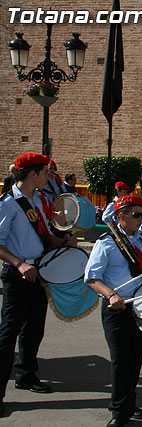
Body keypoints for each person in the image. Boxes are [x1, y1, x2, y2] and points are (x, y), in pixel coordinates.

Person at [0, 153, 78, 417]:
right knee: (8, 333)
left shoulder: (42, 200)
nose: (50, 175)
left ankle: (26, 375)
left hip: (40, 270)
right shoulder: (9, 203)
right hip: (18, 274)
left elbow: (45, 236)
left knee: (34, 329)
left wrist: (64, 242)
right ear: (31, 174)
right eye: (45, 171)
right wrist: (19, 264)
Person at [85, 195, 142, 427]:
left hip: (140, 308)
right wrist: (111, 294)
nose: (141, 219)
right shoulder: (107, 242)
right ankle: (119, 410)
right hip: (116, 307)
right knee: (121, 359)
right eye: (136, 215)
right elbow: (91, 278)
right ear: (120, 216)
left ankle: (129, 401)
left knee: (136, 357)